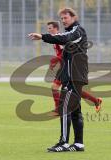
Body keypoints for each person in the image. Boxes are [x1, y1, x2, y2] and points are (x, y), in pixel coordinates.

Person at [28, 8, 89, 152]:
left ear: (74, 17)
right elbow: (62, 40)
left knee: (64, 109)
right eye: (61, 18)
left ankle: (63, 143)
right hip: (74, 76)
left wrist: (43, 36)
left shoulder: (77, 31)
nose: (63, 20)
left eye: (65, 17)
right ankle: (79, 144)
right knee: (75, 111)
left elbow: (64, 37)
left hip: (73, 77)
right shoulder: (74, 31)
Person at [46, 21, 102, 114]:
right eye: (48, 28)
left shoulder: (61, 39)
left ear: (56, 28)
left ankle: (59, 109)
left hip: (69, 66)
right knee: (71, 89)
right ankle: (96, 101)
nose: (48, 30)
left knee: (62, 88)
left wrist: (54, 60)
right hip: (64, 66)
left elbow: (66, 54)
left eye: (50, 28)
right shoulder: (55, 40)